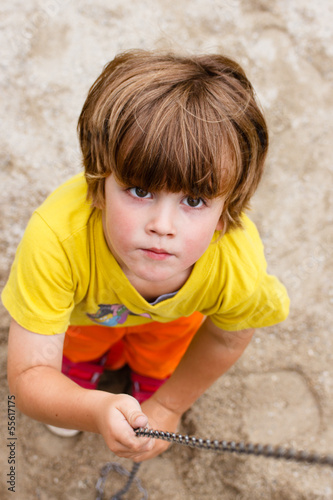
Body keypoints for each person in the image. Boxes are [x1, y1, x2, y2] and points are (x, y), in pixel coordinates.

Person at [2, 50, 289, 462]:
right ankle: (84, 371)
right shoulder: (57, 241)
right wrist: (94, 408)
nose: (162, 225)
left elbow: (228, 335)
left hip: (173, 321)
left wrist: (170, 405)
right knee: (78, 354)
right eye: (140, 191)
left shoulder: (235, 264)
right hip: (87, 314)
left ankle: (149, 377)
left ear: (227, 214)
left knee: (162, 359)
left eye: (194, 200)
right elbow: (30, 376)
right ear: (98, 185)